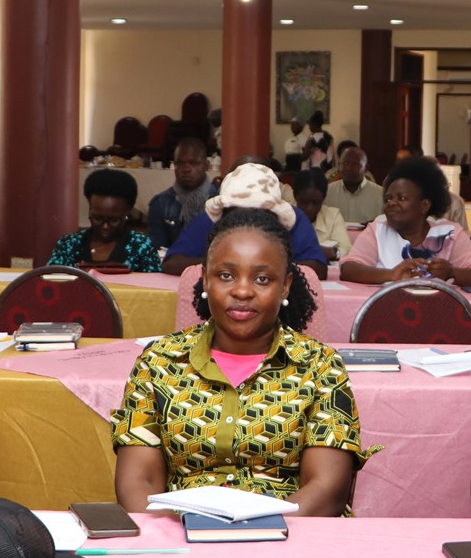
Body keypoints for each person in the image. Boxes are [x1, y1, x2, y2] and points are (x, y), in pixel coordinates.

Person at [112, 206, 375, 516]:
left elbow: (327, 489)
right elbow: (136, 484)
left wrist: (255, 531)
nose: (242, 290)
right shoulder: (159, 361)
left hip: (289, 538)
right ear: (206, 280)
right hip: (179, 535)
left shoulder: (320, 365)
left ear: (286, 286)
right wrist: (192, 531)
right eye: (226, 275)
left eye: (262, 279)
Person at [339, 155, 471, 287]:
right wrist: (391, 274)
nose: (391, 203)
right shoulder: (377, 230)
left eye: (401, 198)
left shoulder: (450, 233)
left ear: (424, 205)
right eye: (388, 199)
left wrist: (451, 272)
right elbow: (349, 269)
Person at [162, 162, 328, 279]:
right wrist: (222, 265)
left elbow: (318, 269)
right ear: (225, 211)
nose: (249, 220)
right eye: (239, 211)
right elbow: (172, 263)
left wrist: (269, 268)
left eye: (259, 212)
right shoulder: (211, 219)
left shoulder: (294, 218)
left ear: (275, 214)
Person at [48, 168, 162, 272]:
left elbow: (156, 289)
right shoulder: (69, 244)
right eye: (98, 219)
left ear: (127, 212)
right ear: (90, 209)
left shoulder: (141, 246)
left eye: (114, 220)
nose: (105, 226)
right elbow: (50, 283)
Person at [146, 138, 217, 250]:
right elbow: (157, 250)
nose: (186, 169)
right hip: (172, 265)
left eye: (193, 163)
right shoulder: (160, 203)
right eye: (179, 163)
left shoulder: (219, 200)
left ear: (206, 165)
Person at [293, 169, 351, 261]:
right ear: (295, 197)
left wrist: (335, 253)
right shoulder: (284, 215)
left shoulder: (333, 215)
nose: (309, 208)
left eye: (315, 203)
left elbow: (346, 248)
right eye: (304, 202)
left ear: (323, 199)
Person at [324, 147, 383, 224]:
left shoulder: (381, 194)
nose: (348, 168)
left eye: (354, 164)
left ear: (366, 168)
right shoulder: (327, 192)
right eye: (344, 163)